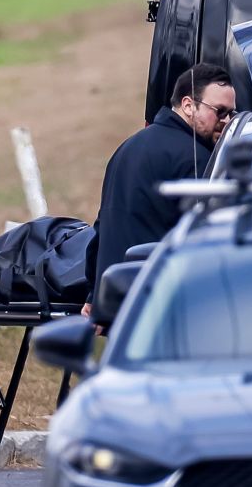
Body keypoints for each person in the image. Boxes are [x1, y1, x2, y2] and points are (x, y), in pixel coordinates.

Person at [83, 63, 235, 316]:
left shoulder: (128, 147)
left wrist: (96, 292)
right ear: (188, 105)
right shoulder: (196, 159)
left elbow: (103, 226)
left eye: (232, 113)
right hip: (163, 303)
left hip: (118, 297)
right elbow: (203, 243)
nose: (227, 121)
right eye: (219, 111)